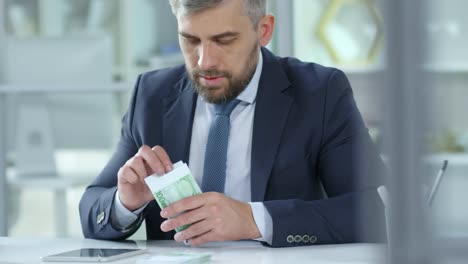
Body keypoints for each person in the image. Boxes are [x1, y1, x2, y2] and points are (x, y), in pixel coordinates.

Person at [79, 0, 385, 248]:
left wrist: (254, 220)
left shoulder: (320, 93)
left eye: (224, 41)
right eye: (190, 41)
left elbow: (376, 211)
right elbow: (92, 208)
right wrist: (124, 203)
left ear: (263, 31)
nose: (204, 62)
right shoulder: (152, 95)